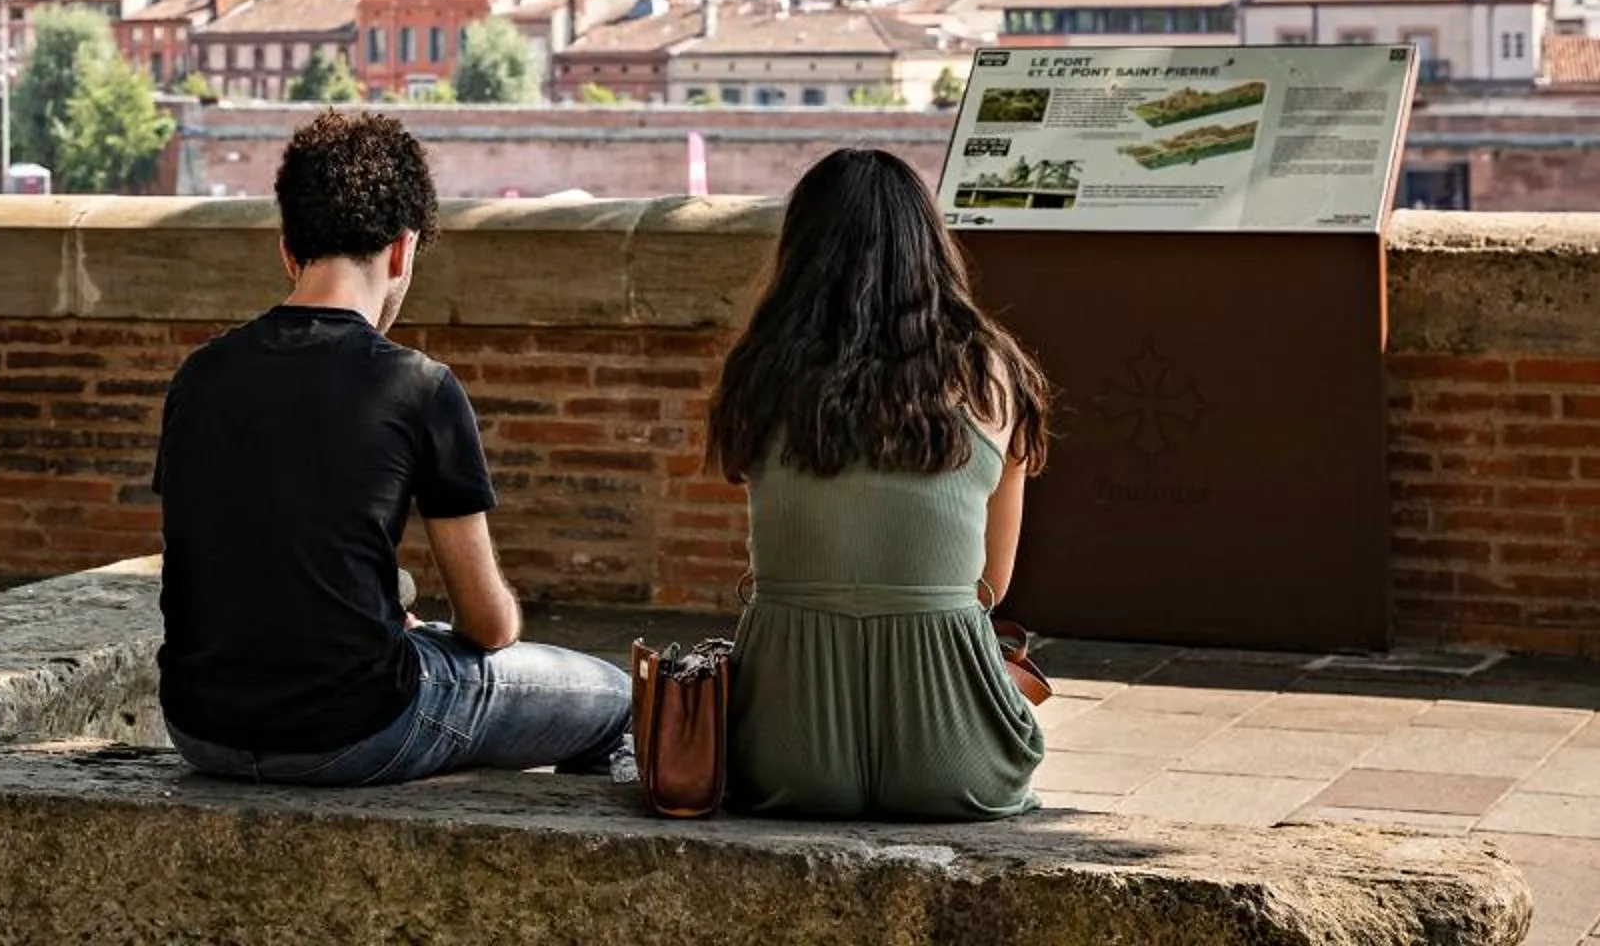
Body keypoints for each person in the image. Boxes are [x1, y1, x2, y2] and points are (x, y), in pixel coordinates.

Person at [154, 109, 630, 785]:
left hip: (199, 728)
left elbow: (232, 559)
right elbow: (490, 627)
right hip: (353, 728)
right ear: (403, 250)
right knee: (615, 698)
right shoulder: (418, 387)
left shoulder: (199, 376)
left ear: (288, 250)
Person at [708, 147, 1053, 818]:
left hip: (781, 756)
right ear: (930, 244)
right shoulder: (992, 372)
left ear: (801, 251)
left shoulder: (761, 375)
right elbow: (992, 585)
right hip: (957, 759)